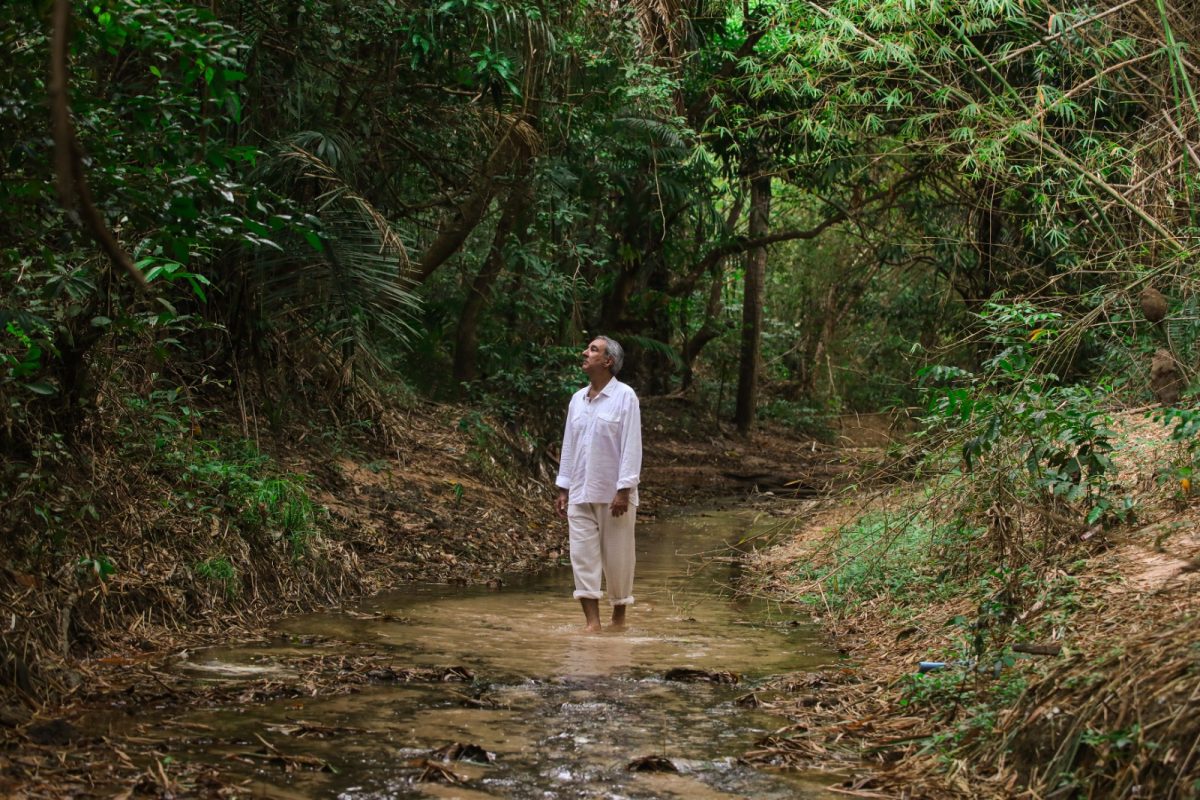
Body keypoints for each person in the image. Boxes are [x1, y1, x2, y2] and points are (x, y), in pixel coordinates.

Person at [554, 336, 642, 632]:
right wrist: (563, 487)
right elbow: (569, 445)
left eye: (593, 349)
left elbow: (631, 445)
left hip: (614, 494)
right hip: (580, 492)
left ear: (608, 361)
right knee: (582, 557)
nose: (585, 352)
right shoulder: (577, 399)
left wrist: (624, 489)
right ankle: (592, 625)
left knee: (618, 559)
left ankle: (618, 622)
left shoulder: (625, 396)